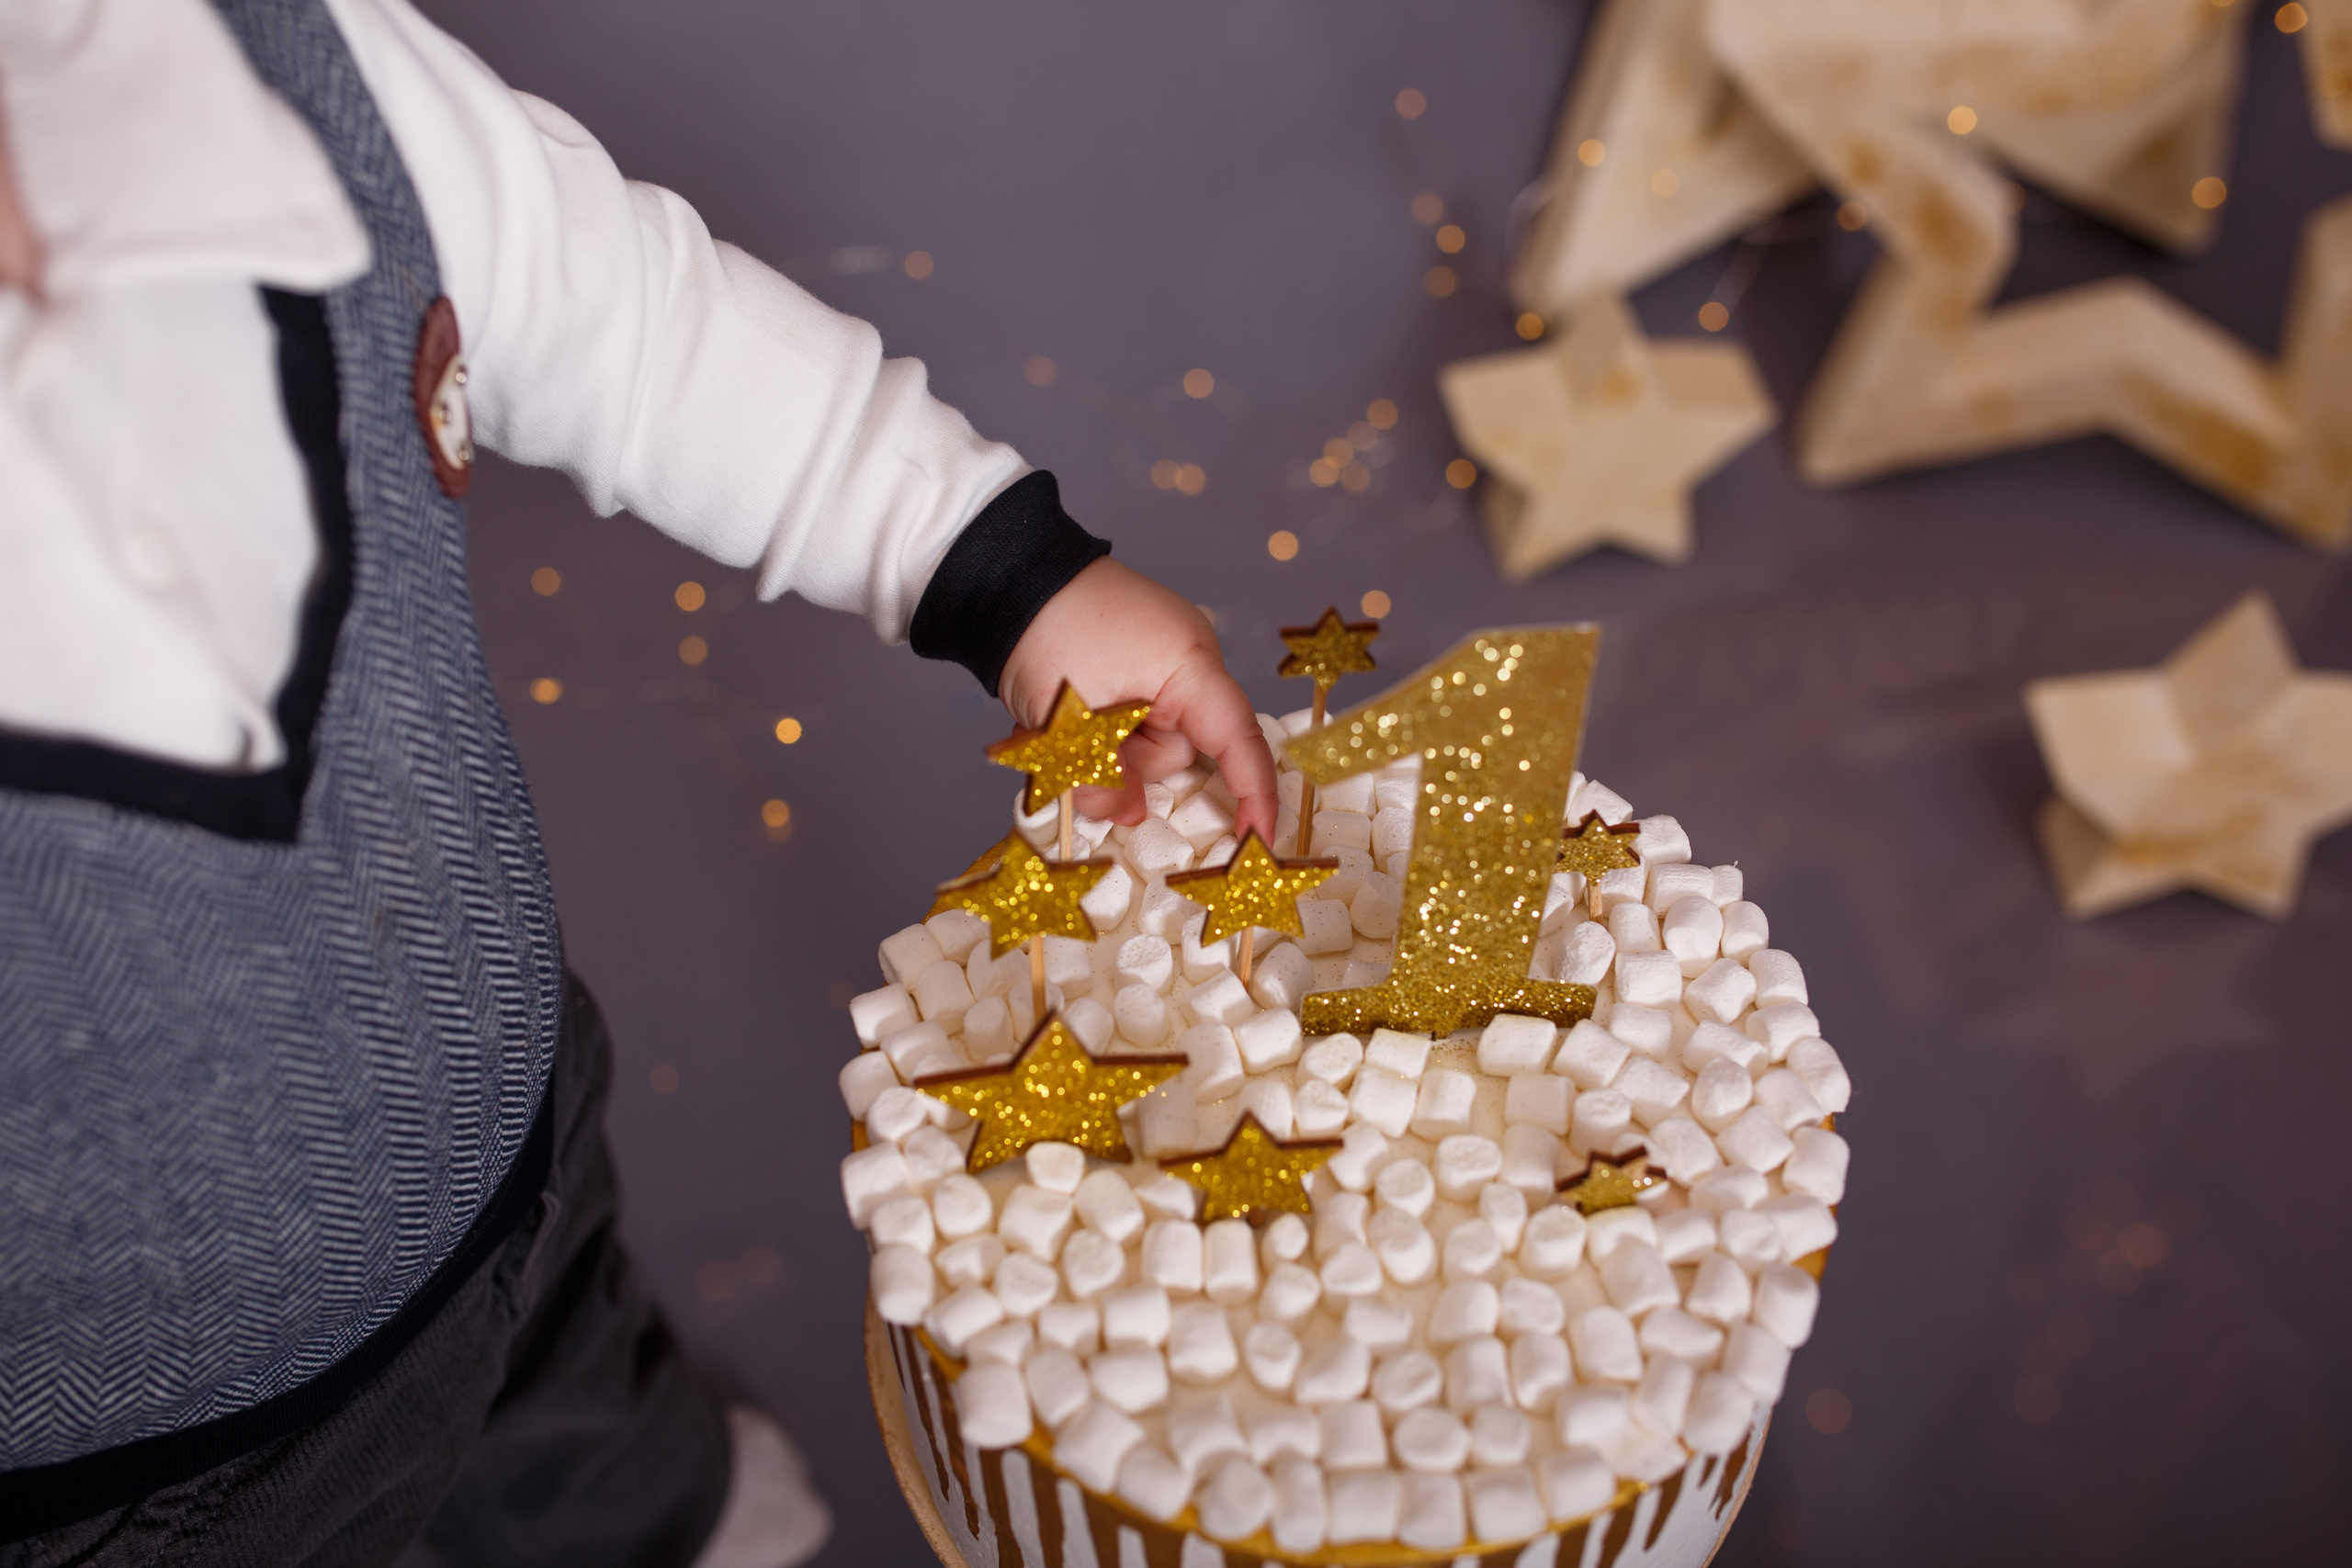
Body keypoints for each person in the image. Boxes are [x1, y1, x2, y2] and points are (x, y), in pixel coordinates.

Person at [0, 1, 1278, 1562]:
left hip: (501, 1134)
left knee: (573, 1415)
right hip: (117, 1477)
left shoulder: (258, 63)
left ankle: (650, 1519)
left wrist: (1001, 571)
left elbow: (616, 312)